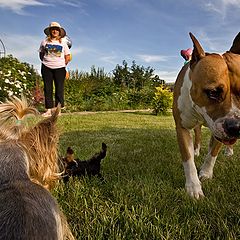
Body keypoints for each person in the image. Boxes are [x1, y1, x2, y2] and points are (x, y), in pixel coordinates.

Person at [39, 22, 71, 117]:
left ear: (59, 31)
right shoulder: (44, 42)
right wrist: (47, 61)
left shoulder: (63, 43)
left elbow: (67, 56)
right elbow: (41, 54)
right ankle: (48, 110)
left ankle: (58, 110)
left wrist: (61, 64)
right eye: (53, 29)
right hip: (46, 67)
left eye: (57, 29)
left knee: (59, 88)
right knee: (47, 88)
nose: (55, 31)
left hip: (60, 69)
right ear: (50, 31)